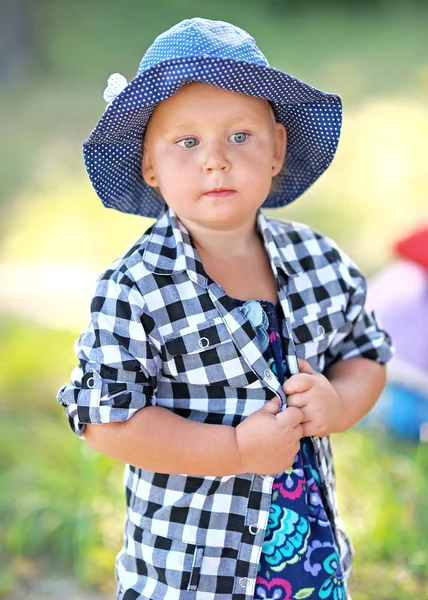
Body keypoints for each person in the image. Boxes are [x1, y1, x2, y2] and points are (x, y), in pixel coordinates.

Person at [57, 18, 393, 600]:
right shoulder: (137, 288)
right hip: (193, 567)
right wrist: (234, 450)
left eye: (240, 135)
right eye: (186, 142)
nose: (215, 160)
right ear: (150, 167)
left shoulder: (318, 259)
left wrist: (337, 406)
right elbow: (106, 420)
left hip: (309, 558)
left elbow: (366, 352)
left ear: (277, 150)